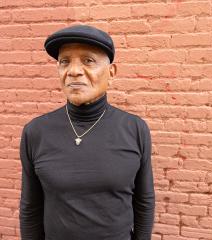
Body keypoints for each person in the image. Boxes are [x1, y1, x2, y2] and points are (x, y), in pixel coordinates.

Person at [19, 24, 155, 240]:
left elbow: (144, 201)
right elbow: (31, 207)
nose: (73, 70)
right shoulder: (36, 132)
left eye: (88, 60)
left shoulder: (134, 129)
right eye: (64, 61)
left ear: (111, 73)